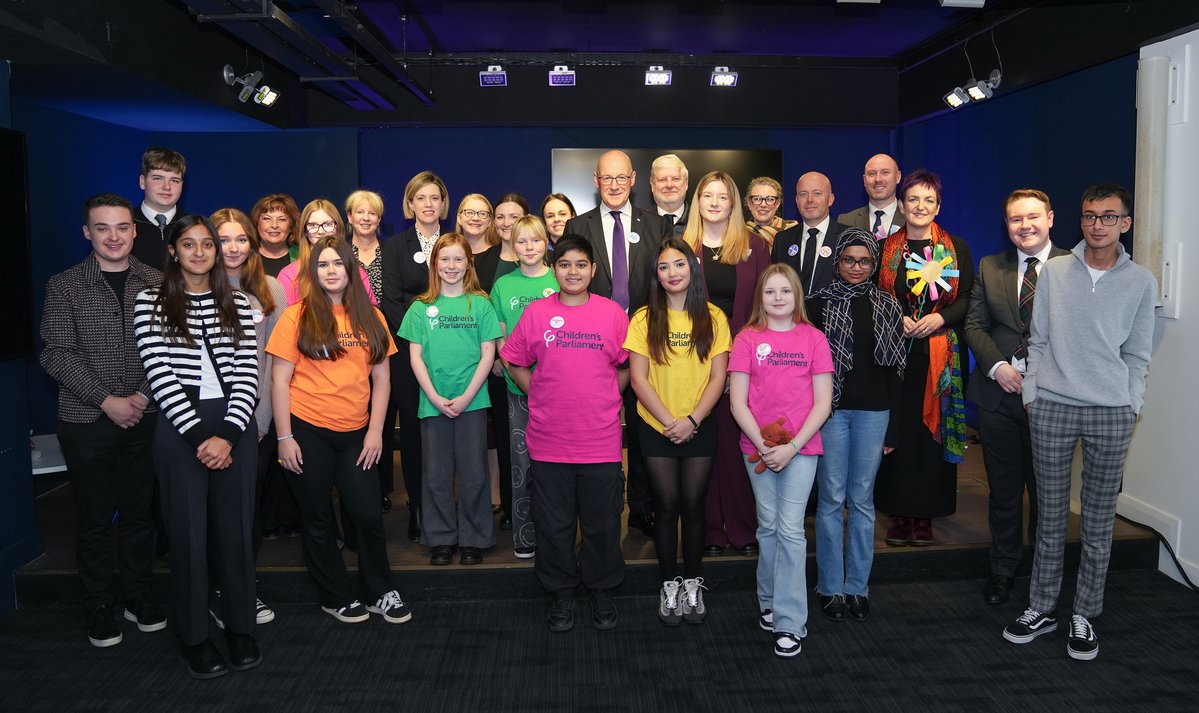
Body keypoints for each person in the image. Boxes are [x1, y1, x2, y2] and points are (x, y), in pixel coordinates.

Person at [1003, 184, 1156, 661]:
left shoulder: (1141, 281)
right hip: (1052, 405)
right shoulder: (1055, 272)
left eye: (1109, 217)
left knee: (1096, 521)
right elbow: (1039, 339)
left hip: (1112, 412)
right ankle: (1042, 606)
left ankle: (1085, 614)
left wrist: (1131, 403)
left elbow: (1137, 355)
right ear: (1080, 220)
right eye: (1090, 216)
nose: (1098, 224)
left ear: (1124, 224)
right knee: (1049, 516)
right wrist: (1033, 395)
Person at [132, 214, 260, 679]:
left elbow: (249, 373)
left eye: (207, 244)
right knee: (187, 538)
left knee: (237, 535)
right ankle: (194, 637)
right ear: (173, 251)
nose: (201, 252)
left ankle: (241, 628)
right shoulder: (150, 303)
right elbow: (159, 376)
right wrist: (199, 437)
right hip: (179, 429)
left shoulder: (241, 303)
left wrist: (226, 435)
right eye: (189, 245)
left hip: (234, 427)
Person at [40, 193, 166, 649]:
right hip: (86, 419)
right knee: (94, 519)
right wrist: (106, 399)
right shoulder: (65, 285)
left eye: (122, 227)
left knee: (138, 514)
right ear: (87, 233)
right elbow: (55, 352)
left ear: (135, 230)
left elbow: (172, 350)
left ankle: (137, 596)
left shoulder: (156, 282)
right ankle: (98, 604)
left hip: (147, 414)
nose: (114, 236)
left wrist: (141, 396)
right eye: (103, 228)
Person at [266, 237, 412, 626]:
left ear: (352, 269)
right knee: (317, 518)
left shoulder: (373, 318)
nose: (331, 270)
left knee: (366, 515)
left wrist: (376, 433)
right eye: (323, 265)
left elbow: (382, 381)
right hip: (306, 428)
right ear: (313, 272)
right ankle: (334, 595)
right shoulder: (295, 316)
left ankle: (379, 591)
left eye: (338, 264)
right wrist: (284, 438)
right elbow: (279, 381)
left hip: (357, 433)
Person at [500, 234, 630, 633]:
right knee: (553, 525)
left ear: (593, 270)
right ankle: (559, 593)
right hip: (549, 440)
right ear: (554, 270)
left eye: (580, 265)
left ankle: (602, 589)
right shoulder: (537, 313)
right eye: (565, 265)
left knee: (602, 523)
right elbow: (515, 359)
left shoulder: (612, 314)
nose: (572, 272)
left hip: (601, 440)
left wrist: (609, 395)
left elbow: (627, 366)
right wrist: (534, 389)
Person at [965, 189, 1068, 606]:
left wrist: (1040, 376)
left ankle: (1045, 578)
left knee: (1048, 497)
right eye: (1014, 219)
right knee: (1004, 493)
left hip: (1054, 398)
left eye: (1031, 217)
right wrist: (997, 367)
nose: (1023, 226)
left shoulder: (1073, 267)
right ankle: (1003, 570)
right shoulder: (991, 267)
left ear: (1050, 219)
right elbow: (974, 325)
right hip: (999, 398)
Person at [563, 149, 671, 538]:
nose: (613, 185)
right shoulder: (577, 225)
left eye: (620, 178)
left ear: (633, 180)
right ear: (595, 180)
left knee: (644, 429)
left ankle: (642, 509)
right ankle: (599, 509)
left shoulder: (657, 226)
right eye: (606, 178)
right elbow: (571, 283)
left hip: (645, 345)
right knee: (598, 427)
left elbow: (665, 285)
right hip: (593, 345)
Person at [728, 263, 833, 658]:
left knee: (790, 530)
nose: (777, 298)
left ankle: (791, 621)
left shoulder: (814, 339)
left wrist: (791, 447)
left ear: (796, 296)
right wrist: (763, 446)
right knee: (767, 527)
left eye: (784, 291)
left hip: (802, 450)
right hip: (756, 449)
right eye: (770, 292)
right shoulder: (747, 339)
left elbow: (822, 403)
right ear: (761, 297)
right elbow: (737, 402)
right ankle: (769, 601)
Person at [625, 238, 730, 626]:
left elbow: (719, 377)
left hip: (699, 423)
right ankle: (669, 583)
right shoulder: (642, 319)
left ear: (693, 268)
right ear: (656, 274)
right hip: (657, 426)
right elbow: (637, 378)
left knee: (693, 506)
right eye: (664, 266)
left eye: (679, 265)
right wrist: (670, 421)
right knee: (666, 508)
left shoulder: (714, 317)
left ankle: (692, 582)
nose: (672, 273)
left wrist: (692, 420)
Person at [806, 228, 906, 623]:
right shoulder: (815, 305)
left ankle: (857, 587)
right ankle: (830, 586)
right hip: (829, 413)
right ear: (838, 261)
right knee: (831, 499)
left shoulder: (887, 304)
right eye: (849, 260)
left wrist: (894, 429)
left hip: (874, 413)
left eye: (865, 261)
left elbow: (897, 372)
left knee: (862, 500)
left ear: (874, 264)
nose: (856, 267)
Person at [874, 169, 974, 547]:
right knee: (898, 430)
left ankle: (925, 516)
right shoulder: (885, 250)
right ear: (901, 205)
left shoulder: (956, 248)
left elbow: (966, 298)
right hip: (896, 355)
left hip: (939, 355)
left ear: (938, 206)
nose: (920, 206)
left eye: (928, 200)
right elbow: (874, 295)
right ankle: (898, 514)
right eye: (913, 199)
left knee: (930, 436)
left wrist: (939, 318)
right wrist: (894, 316)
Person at [680, 171, 770, 557]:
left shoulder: (755, 246)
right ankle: (711, 532)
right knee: (704, 449)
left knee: (739, 446)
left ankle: (744, 529)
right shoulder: (682, 247)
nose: (715, 202)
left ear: (734, 203)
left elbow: (764, 306)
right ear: (697, 203)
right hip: (692, 360)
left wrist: (740, 362)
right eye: (707, 195)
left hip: (741, 360)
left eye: (723, 196)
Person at [399, 233, 502, 566]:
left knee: (474, 473)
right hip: (433, 404)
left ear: (469, 264)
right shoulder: (420, 308)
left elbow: (489, 354)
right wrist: (434, 396)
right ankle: (442, 538)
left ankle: (474, 538)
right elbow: (415, 358)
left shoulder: (481, 304)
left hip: (472, 403)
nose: (451, 266)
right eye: (445, 259)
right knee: (436, 473)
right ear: (435, 265)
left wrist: (466, 395)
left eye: (459, 259)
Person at [210, 207, 288, 627]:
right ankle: (215, 590)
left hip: (254, 422)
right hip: (203, 423)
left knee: (246, 513)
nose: (233, 247)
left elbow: (275, 363)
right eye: (224, 239)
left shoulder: (271, 288)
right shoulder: (196, 285)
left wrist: (260, 422)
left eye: (241, 239)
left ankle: (243, 590)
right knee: (210, 513)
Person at [381, 171, 450, 544]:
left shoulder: (454, 244)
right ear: (410, 205)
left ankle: (445, 504)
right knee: (412, 429)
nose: (428, 204)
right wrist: (418, 338)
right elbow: (392, 301)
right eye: (420, 198)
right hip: (408, 351)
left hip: (453, 351)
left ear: (443, 204)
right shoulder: (393, 246)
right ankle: (418, 507)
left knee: (446, 429)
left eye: (434, 198)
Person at [490, 216, 559, 558]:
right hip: (519, 390)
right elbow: (501, 335)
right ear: (512, 247)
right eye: (521, 242)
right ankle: (525, 535)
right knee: (522, 464)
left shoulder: (559, 279)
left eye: (535, 241)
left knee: (556, 466)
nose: (529, 247)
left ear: (546, 242)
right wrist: (515, 372)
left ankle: (556, 536)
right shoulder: (504, 286)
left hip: (558, 391)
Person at [344, 189, 395, 514]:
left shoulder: (390, 252)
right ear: (349, 217)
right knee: (355, 414)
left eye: (372, 213)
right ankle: (354, 484)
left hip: (387, 342)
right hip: (349, 344)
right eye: (359, 212)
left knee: (384, 419)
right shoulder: (340, 254)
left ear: (379, 219)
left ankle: (381, 487)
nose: (365, 218)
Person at [478, 193, 528, 525]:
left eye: (514, 216)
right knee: (506, 439)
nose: (506, 223)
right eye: (500, 216)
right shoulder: (482, 260)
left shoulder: (546, 260)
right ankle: (511, 510)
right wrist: (497, 354)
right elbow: (479, 311)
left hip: (538, 368)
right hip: (495, 367)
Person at [276, 199, 376, 306]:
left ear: (338, 228)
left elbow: (370, 315)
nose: (321, 231)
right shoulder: (289, 275)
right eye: (313, 225)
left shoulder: (356, 271)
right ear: (305, 231)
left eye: (328, 224)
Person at [772, 172, 849, 296]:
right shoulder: (782, 240)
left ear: (830, 199)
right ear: (797, 201)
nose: (810, 200)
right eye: (803, 194)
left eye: (817, 193)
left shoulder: (848, 238)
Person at [130, 147, 186, 270]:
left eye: (174, 180)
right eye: (158, 178)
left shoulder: (193, 226)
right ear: (142, 182)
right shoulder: (124, 224)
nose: (167, 187)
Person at [837, 153, 905, 241]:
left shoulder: (912, 219)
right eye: (871, 174)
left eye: (885, 172)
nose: (878, 179)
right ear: (864, 180)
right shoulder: (846, 221)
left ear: (897, 177)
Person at [251, 194, 301, 278]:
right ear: (257, 222)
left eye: (282, 219)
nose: (274, 225)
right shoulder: (245, 257)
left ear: (291, 225)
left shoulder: (303, 256)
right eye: (267, 218)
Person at [744, 176, 797, 248]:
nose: (763, 204)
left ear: (777, 204)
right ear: (749, 203)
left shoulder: (793, 231)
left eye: (770, 199)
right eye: (757, 199)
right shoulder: (739, 235)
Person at [650, 153, 690, 236]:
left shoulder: (701, 222)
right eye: (662, 180)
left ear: (686, 183)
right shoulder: (639, 223)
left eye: (676, 179)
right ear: (652, 185)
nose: (669, 185)